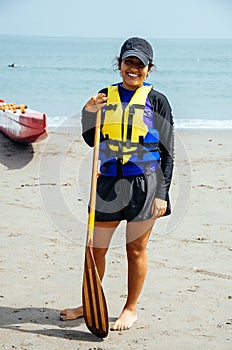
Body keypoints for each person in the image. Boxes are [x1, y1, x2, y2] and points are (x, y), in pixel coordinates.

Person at [60, 37, 174, 331]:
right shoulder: (104, 95)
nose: (133, 68)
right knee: (95, 249)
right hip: (108, 182)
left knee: (135, 249)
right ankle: (90, 303)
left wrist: (162, 195)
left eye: (140, 63)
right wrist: (87, 112)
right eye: (128, 62)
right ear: (119, 64)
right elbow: (91, 140)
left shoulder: (157, 101)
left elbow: (168, 153)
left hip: (145, 185)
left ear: (149, 68)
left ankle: (130, 308)